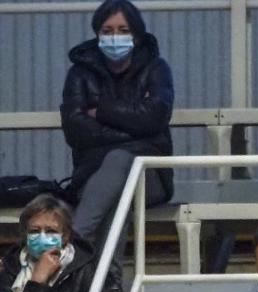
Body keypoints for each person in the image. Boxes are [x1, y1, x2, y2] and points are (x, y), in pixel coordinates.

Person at [60, 0, 174, 260]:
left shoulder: (156, 69)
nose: (115, 37)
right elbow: (76, 130)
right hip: (92, 173)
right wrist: (135, 128)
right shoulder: (80, 74)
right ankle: (110, 284)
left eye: (123, 30)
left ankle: (74, 244)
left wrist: (101, 112)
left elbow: (154, 118)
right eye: (108, 30)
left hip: (149, 177)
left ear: (136, 34)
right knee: (116, 186)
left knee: (120, 160)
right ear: (97, 33)